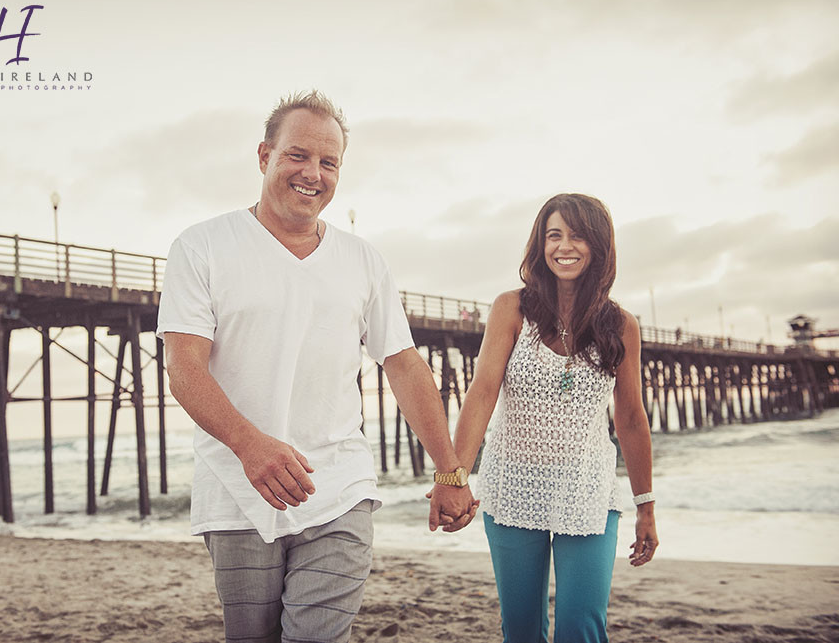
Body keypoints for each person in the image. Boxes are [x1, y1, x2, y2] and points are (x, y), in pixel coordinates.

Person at [157, 90, 477, 643]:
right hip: (237, 489)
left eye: (329, 163)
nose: (313, 174)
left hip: (339, 486)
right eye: (298, 156)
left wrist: (449, 469)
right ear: (264, 156)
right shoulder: (201, 247)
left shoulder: (363, 260)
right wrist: (250, 445)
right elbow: (185, 368)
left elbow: (402, 364)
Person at [450, 193, 658, 642]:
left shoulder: (621, 325)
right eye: (554, 235)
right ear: (540, 244)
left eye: (578, 235)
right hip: (513, 487)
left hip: (587, 490)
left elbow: (631, 419)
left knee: (582, 627)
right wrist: (455, 477)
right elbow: (483, 392)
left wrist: (646, 506)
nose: (565, 246)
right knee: (521, 630)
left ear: (599, 245)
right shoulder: (512, 308)